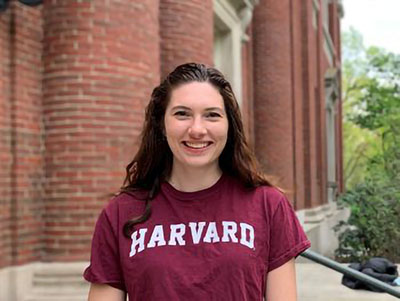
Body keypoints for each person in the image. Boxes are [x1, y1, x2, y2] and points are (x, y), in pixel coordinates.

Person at [83, 62, 311, 300]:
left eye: (212, 115)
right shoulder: (121, 212)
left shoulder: (268, 205)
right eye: (182, 114)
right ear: (162, 124)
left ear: (229, 126)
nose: (197, 129)